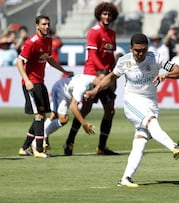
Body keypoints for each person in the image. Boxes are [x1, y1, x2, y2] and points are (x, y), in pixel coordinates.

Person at [85, 33, 179, 188]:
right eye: (137, 50)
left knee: (140, 141)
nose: (140, 54)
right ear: (131, 48)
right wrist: (95, 90)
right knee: (150, 121)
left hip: (150, 103)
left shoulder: (156, 58)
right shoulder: (124, 61)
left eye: (144, 50)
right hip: (131, 102)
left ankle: (125, 178)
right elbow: (111, 77)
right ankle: (173, 147)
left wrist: (166, 75)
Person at [64, 1, 119, 156]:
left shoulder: (112, 34)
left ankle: (101, 147)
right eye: (104, 14)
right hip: (93, 75)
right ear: (99, 15)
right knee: (86, 109)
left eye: (109, 14)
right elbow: (93, 56)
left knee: (110, 110)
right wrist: (101, 72)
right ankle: (69, 142)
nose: (107, 17)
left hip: (106, 76)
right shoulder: (94, 32)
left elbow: (111, 57)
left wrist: (113, 74)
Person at [16, 15, 73, 158]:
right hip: (31, 83)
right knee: (39, 115)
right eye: (43, 24)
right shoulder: (31, 42)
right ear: (37, 26)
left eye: (48, 24)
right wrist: (27, 80)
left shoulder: (48, 40)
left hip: (40, 83)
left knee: (41, 115)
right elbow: (19, 62)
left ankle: (24, 148)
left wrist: (63, 70)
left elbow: (49, 59)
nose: (47, 27)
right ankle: (39, 149)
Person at [38, 73, 106, 150]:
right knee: (63, 119)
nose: (102, 82)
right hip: (61, 89)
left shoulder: (92, 82)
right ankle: (40, 137)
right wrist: (84, 124)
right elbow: (73, 107)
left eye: (104, 80)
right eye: (100, 80)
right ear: (96, 77)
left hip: (64, 89)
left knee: (54, 116)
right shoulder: (83, 86)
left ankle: (36, 138)